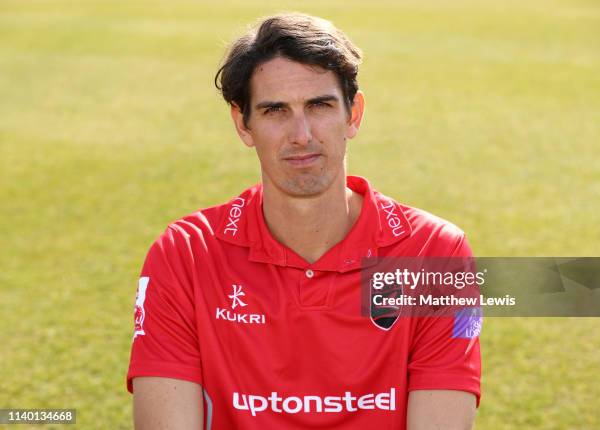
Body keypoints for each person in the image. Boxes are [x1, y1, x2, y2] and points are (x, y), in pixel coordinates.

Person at [126, 12, 481, 430]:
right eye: (275, 110)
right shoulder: (184, 254)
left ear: (354, 114)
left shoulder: (437, 255)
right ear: (243, 124)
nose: (301, 134)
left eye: (319, 105)